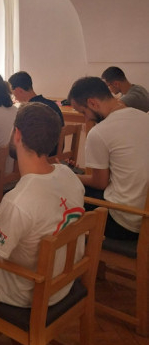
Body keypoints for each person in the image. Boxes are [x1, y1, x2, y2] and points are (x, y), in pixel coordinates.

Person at [0, 102, 85, 308]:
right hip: (62, 282)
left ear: (17, 134)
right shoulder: (68, 175)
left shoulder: (18, 200)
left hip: (24, 291)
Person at [68, 76, 149, 239]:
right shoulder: (143, 117)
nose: (86, 119)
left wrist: (70, 175)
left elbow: (100, 182)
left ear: (92, 103)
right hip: (144, 212)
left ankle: (70, 250)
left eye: (83, 112)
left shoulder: (100, 132)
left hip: (126, 220)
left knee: (66, 193)